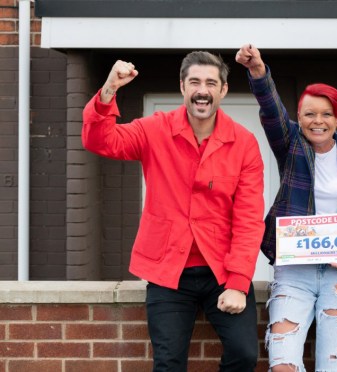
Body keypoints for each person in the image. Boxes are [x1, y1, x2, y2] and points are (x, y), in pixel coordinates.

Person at [82, 51, 265, 372]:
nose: (202, 90)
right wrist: (109, 88)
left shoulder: (244, 143)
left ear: (223, 90)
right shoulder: (155, 129)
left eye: (211, 82)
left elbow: (249, 218)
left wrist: (238, 282)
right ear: (182, 87)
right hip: (168, 271)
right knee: (168, 363)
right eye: (194, 81)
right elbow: (100, 140)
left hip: (222, 271)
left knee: (245, 353)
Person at [236, 45, 337, 372]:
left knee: (334, 367)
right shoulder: (292, 145)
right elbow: (271, 111)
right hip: (295, 270)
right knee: (283, 363)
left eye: (326, 114)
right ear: (299, 118)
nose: (318, 121)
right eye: (310, 113)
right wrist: (258, 71)